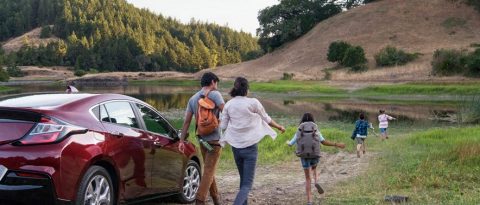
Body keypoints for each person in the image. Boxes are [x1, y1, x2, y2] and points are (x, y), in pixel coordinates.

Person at [220, 77, 285, 205]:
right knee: (247, 185)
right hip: (250, 148)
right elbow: (266, 118)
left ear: (235, 88)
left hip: (236, 148)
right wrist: (279, 127)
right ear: (246, 89)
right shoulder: (253, 102)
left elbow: (223, 126)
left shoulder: (228, 104)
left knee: (243, 181)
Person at [178, 72, 225, 205]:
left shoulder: (193, 99)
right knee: (209, 171)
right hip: (215, 140)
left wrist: (181, 140)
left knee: (209, 170)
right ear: (212, 82)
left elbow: (186, 122)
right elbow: (226, 111)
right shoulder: (215, 94)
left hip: (202, 140)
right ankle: (200, 200)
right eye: (216, 83)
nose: (216, 86)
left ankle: (216, 199)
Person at [287, 113, 345, 205]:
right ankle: (316, 181)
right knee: (314, 168)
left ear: (302, 120)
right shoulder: (315, 129)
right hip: (315, 155)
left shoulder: (299, 130)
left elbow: (291, 143)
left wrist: (288, 142)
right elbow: (323, 142)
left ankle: (309, 201)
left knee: (307, 179)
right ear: (312, 120)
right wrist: (336, 144)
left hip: (304, 156)